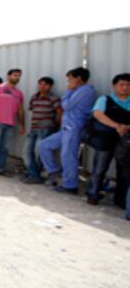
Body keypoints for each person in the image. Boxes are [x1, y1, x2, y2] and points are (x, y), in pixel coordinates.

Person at [39, 67, 96, 194]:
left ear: (78, 78)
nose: (68, 82)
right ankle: (54, 171)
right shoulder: (78, 90)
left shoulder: (85, 90)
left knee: (68, 156)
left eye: (70, 79)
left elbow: (66, 105)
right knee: (44, 145)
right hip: (66, 128)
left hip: (74, 127)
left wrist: (68, 91)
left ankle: (70, 186)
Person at [83, 73, 130, 204]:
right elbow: (98, 114)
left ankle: (121, 200)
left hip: (125, 142)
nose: (125, 87)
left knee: (124, 171)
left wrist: (126, 127)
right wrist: (117, 126)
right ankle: (92, 195)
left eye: (128, 85)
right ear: (114, 86)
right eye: (122, 84)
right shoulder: (105, 99)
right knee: (99, 168)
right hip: (105, 139)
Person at [21, 77, 62, 183]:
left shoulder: (53, 98)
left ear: (50, 86)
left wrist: (56, 127)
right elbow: (32, 111)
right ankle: (33, 173)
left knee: (38, 153)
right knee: (26, 152)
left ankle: (35, 175)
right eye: (40, 84)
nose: (42, 86)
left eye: (45, 84)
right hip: (33, 128)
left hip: (46, 129)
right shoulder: (34, 97)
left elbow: (59, 113)